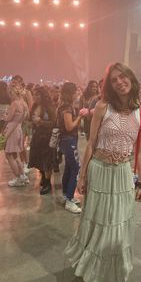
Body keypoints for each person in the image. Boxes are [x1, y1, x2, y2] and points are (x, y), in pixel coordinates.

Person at [65, 62, 141, 282]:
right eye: (114, 80)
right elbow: (91, 143)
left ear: (131, 78)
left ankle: (114, 265)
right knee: (98, 218)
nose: (120, 82)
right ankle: (94, 263)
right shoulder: (103, 107)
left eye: (122, 77)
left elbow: (140, 151)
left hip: (122, 174)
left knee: (118, 221)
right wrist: (81, 176)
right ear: (109, 85)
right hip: (99, 170)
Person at [57, 82, 86, 213]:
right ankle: (69, 199)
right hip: (69, 140)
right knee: (75, 167)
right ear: (71, 92)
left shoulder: (63, 105)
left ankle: (66, 195)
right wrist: (80, 116)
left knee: (69, 167)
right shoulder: (67, 108)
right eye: (75, 91)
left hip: (66, 140)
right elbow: (69, 126)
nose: (77, 93)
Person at [28, 87, 56, 195]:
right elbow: (31, 120)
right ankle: (43, 178)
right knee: (38, 159)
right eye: (34, 95)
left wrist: (41, 122)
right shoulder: (35, 106)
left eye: (37, 95)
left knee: (47, 161)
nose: (35, 97)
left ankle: (48, 183)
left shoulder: (49, 106)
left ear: (43, 95)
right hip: (37, 136)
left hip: (47, 137)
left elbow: (54, 122)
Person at [4, 85, 29, 187]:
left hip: (12, 130)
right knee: (16, 155)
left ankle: (18, 178)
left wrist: (5, 115)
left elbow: (8, 118)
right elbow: (26, 117)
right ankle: (22, 176)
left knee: (9, 155)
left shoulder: (14, 104)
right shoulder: (23, 104)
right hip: (18, 129)